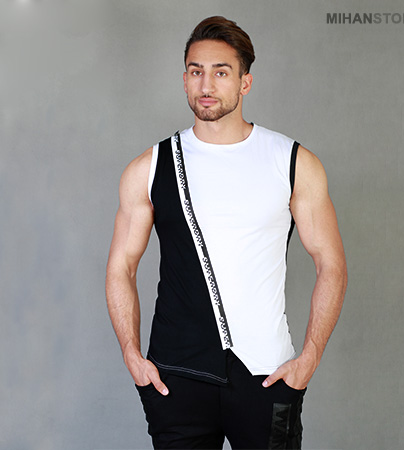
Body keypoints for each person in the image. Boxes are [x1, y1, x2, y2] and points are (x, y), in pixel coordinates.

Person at [106, 16, 347, 450]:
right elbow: (121, 265)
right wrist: (130, 353)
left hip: (266, 374)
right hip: (176, 377)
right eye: (196, 71)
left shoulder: (292, 162)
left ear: (245, 83)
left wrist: (309, 357)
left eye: (221, 72)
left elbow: (331, 264)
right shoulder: (151, 167)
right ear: (184, 80)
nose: (206, 84)